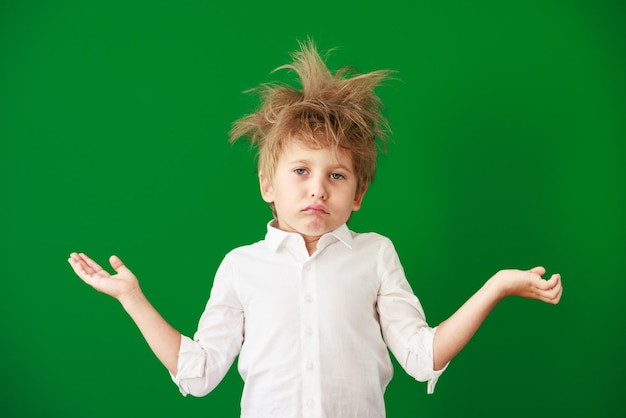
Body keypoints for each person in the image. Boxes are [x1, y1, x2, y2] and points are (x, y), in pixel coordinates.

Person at [68, 39, 562, 417]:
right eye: (300, 171)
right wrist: (132, 297)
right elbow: (198, 374)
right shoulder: (241, 267)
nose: (318, 190)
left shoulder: (375, 255)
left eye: (337, 175)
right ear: (268, 184)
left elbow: (422, 356)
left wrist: (498, 285)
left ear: (358, 194)